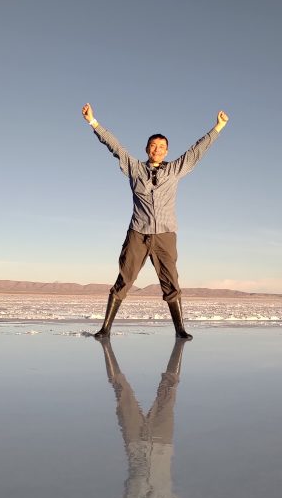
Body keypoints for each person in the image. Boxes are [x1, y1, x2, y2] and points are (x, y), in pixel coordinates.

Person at [82, 103, 229, 339]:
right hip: (138, 233)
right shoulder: (135, 168)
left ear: (167, 151)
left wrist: (218, 127)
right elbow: (115, 146)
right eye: (153, 146)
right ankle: (105, 329)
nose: (157, 149)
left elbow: (197, 151)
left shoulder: (175, 170)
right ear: (147, 149)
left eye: (162, 147)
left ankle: (180, 330)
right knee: (124, 279)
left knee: (171, 282)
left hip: (165, 235)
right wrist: (93, 122)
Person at [76, 338, 219, 498]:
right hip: (163, 439)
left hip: (134, 439)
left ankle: (104, 343)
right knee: (169, 389)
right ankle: (180, 342)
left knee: (120, 389)